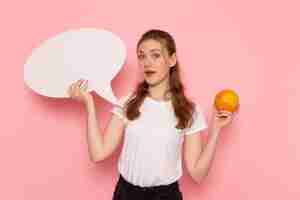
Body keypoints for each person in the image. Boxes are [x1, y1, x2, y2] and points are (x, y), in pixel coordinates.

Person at [67, 29, 237, 200]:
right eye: (141, 56)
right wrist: (89, 104)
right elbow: (98, 153)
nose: (147, 62)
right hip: (126, 194)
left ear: (172, 59)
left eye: (155, 55)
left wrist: (216, 130)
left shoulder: (189, 111)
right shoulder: (127, 103)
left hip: (166, 196)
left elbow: (198, 174)